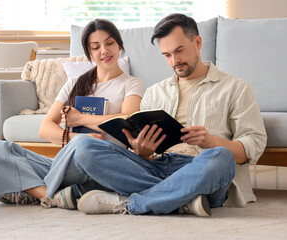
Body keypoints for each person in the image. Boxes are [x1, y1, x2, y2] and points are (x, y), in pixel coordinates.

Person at [73, 13, 267, 217]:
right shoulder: (155, 92)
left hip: (200, 168)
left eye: (179, 50)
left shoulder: (236, 88)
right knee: (85, 148)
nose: (175, 61)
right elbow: (141, 154)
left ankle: (133, 203)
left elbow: (254, 145)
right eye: (167, 55)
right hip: (156, 166)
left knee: (221, 157)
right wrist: (142, 152)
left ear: (198, 42)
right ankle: (183, 199)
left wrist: (211, 141)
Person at [0, 19, 144, 210]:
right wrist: (76, 137)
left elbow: (126, 121)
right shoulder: (75, 83)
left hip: (100, 163)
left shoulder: (131, 83)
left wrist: (81, 119)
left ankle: (32, 186)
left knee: (86, 146)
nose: (104, 51)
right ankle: (51, 195)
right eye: (96, 47)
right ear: (89, 52)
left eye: (109, 43)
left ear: (119, 45)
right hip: (64, 164)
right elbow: (46, 128)